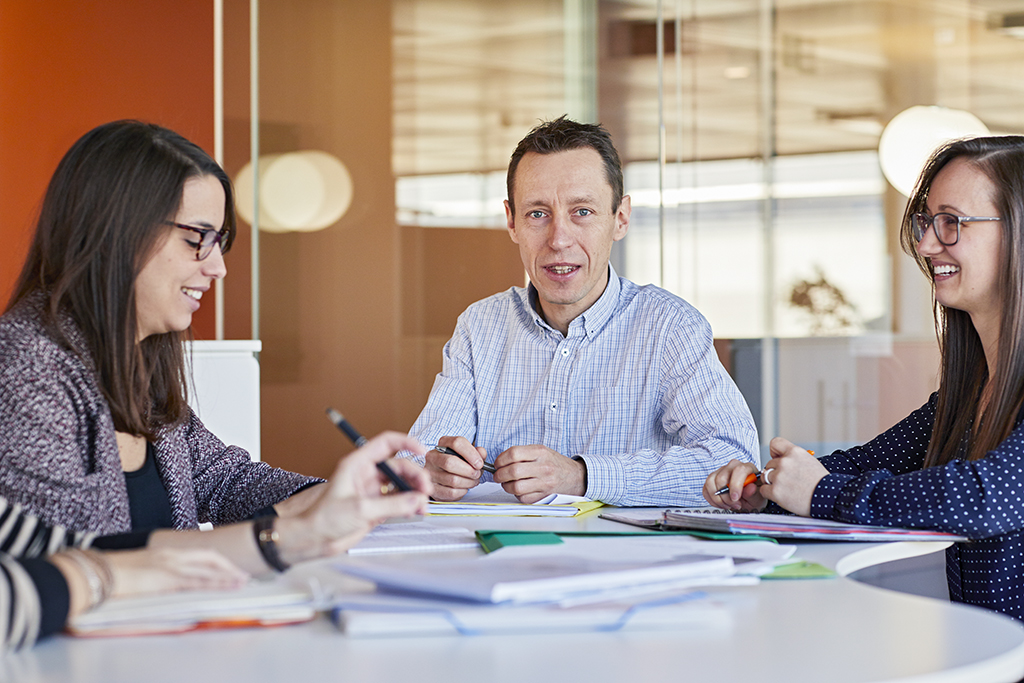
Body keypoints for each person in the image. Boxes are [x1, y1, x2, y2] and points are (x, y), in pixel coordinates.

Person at [0, 120, 431, 540]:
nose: (218, 267)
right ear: (114, 232)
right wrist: (281, 531)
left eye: (218, 241)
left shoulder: (136, 360)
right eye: (196, 239)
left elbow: (222, 479)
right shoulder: (24, 368)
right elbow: (68, 561)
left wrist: (345, 491)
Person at [703, 135, 1024, 623]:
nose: (926, 245)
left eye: (951, 223)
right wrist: (769, 486)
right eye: (926, 222)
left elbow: (982, 497)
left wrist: (820, 493)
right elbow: (864, 463)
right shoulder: (970, 393)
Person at [407, 116, 758, 506]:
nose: (559, 239)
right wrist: (432, 472)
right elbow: (416, 458)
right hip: (496, 544)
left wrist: (581, 476)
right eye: (537, 213)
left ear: (620, 218)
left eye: (582, 212)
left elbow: (733, 466)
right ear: (512, 221)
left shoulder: (670, 328)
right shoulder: (480, 327)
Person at [0, 429, 431, 652]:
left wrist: (307, 516)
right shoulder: (28, 369)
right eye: (198, 250)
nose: (213, 284)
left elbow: (224, 479)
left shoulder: (143, 373)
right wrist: (107, 572)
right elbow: (40, 572)